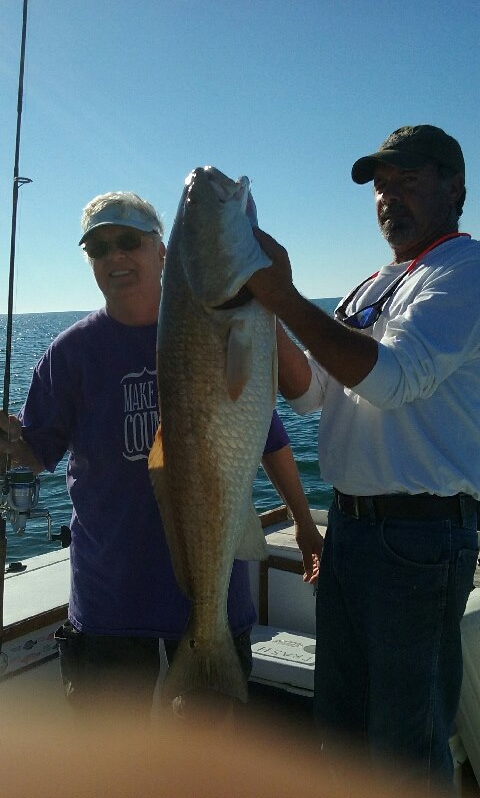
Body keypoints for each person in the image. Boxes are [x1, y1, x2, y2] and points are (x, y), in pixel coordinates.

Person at [0, 190, 321, 721]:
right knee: (111, 765)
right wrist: (9, 444)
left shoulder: (218, 331)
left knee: (208, 764)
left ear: (162, 251)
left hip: (215, 592)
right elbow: (35, 452)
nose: (115, 257)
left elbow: (267, 436)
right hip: (109, 599)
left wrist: (305, 523)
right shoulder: (68, 354)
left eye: (129, 241)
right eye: (99, 248)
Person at [246, 125, 480, 787]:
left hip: (420, 540)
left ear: (455, 187)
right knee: (341, 734)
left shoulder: (465, 272)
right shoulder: (375, 282)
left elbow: (393, 378)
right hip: (350, 534)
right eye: (381, 186)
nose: (388, 198)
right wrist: (262, 315)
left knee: (402, 749)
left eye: (408, 181)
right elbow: (314, 394)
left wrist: (284, 296)